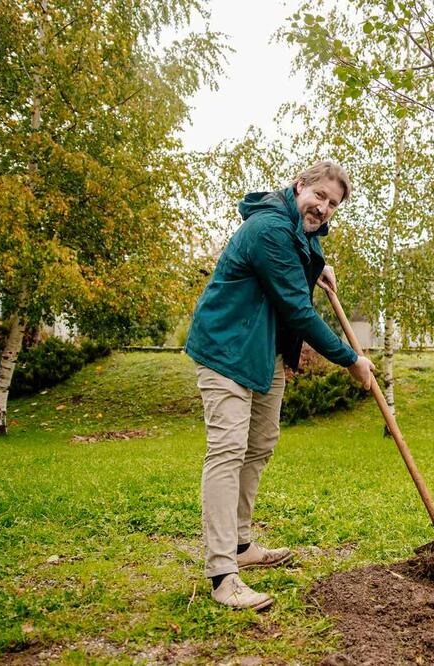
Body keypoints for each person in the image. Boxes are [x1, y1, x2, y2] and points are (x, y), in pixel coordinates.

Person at [185, 160, 375, 610]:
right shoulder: (269, 228)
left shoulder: (301, 233)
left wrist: (319, 266)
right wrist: (351, 359)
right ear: (299, 186)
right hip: (226, 348)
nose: (323, 207)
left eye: (332, 203)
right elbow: (297, 310)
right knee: (227, 451)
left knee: (261, 442)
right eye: (319, 196)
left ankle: (241, 544)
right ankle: (221, 574)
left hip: (262, 351)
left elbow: (299, 260)